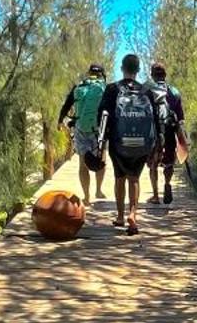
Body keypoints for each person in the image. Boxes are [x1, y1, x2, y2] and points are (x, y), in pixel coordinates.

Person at [94, 52, 159, 235]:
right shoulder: (147, 91)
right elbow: (155, 118)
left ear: (122, 69)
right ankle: (133, 214)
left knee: (119, 177)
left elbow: (102, 115)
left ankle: (121, 216)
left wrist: (101, 140)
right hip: (142, 143)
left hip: (118, 141)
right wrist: (156, 144)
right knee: (135, 178)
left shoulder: (112, 89)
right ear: (138, 70)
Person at [57, 63, 108, 203]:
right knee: (101, 160)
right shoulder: (104, 87)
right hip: (99, 130)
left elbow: (67, 104)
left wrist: (60, 120)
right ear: (101, 74)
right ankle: (98, 190)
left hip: (81, 128)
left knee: (82, 164)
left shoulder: (79, 86)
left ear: (89, 72)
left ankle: (86, 197)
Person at [145, 60, 187, 206]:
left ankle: (155, 195)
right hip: (169, 131)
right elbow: (180, 118)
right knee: (168, 163)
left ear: (152, 75)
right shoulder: (174, 92)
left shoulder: (148, 91)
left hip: (153, 132)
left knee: (153, 165)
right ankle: (167, 183)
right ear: (165, 75)